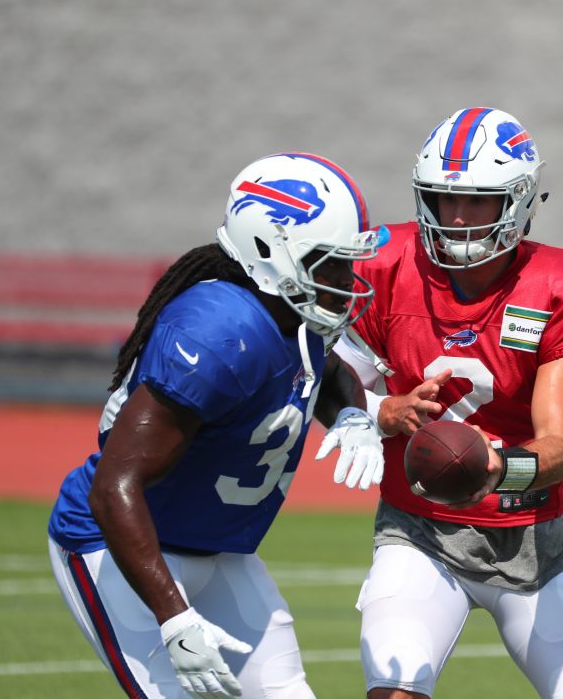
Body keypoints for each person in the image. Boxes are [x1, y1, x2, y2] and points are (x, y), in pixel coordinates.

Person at [46, 152, 390, 699]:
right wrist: (174, 618)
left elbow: (325, 368)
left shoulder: (292, 310)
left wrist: (350, 414)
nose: (344, 281)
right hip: (123, 548)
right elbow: (113, 487)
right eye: (329, 263)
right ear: (268, 251)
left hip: (220, 550)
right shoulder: (220, 329)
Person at [332, 107, 563, 699]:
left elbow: (561, 446)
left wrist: (498, 467)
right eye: (445, 200)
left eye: (479, 202)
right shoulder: (383, 266)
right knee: (395, 688)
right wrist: (379, 410)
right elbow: (329, 383)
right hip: (419, 533)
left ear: (516, 202)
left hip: (533, 541)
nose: (459, 219)